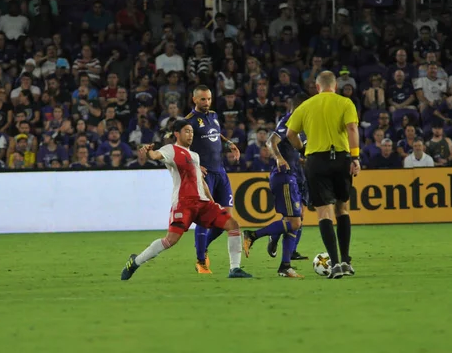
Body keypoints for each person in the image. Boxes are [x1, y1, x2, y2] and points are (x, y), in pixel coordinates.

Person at [120, 120, 252, 280]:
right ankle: (135, 262)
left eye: (192, 132)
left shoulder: (194, 156)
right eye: (187, 131)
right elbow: (156, 155)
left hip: (203, 203)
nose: (190, 135)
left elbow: (200, 181)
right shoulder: (171, 150)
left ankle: (235, 269)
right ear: (177, 133)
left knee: (233, 225)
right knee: (170, 240)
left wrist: (212, 201)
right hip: (184, 203)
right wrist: (149, 152)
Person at [285, 71, 360, 279]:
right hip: (342, 159)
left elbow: (290, 134)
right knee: (342, 210)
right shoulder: (345, 103)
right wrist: (355, 158)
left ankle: (334, 265)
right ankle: (345, 261)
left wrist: (301, 150)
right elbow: (352, 129)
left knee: (323, 213)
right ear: (334, 86)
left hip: (316, 161)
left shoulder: (306, 106)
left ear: (317, 87)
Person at [242, 94, 310, 278]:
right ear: (298, 108)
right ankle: (253, 235)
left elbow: (292, 150)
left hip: (294, 176)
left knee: (294, 222)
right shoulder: (289, 120)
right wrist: (279, 158)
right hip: (284, 176)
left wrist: (300, 161)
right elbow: (271, 141)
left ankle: (285, 266)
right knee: (294, 222)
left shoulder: (300, 126)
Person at [185, 85, 241, 273]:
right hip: (205, 175)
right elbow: (179, 147)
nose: (207, 102)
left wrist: (229, 143)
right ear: (194, 100)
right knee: (203, 219)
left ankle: (204, 246)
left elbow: (216, 134)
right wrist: (195, 166)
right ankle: (201, 261)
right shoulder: (189, 122)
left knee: (227, 219)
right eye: (203, 99)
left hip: (221, 173)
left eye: (209, 99)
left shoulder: (214, 116)